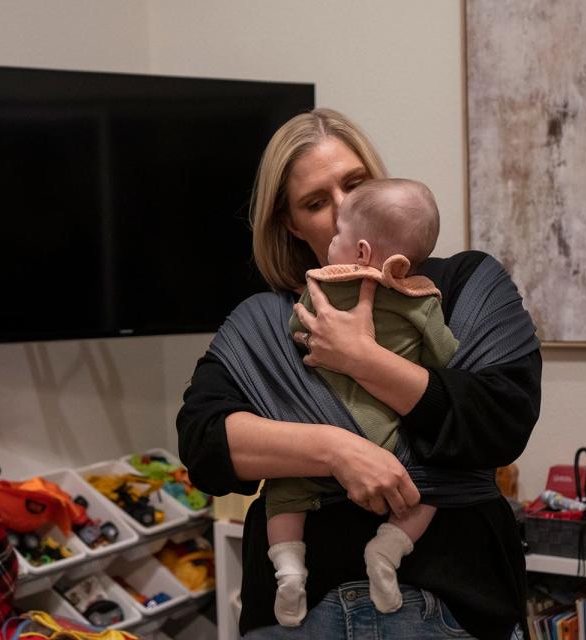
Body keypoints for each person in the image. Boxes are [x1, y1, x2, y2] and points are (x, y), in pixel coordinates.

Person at [176, 108, 541, 639]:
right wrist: (336, 450)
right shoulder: (264, 320)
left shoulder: (461, 286)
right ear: (290, 224)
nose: (344, 207)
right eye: (315, 202)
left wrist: (360, 358)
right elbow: (204, 443)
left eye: (354, 183)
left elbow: (499, 419)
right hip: (295, 618)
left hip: (451, 604)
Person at [266, 178, 458, 626]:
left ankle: (290, 569)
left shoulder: (317, 291)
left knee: (283, 493)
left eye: (339, 235)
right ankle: (387, 550)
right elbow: (447, 360)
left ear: (361, 253)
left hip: (312, 426)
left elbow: (295, 335)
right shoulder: (420, 302)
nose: (332, 236)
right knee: (429, 490)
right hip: (385, 438)